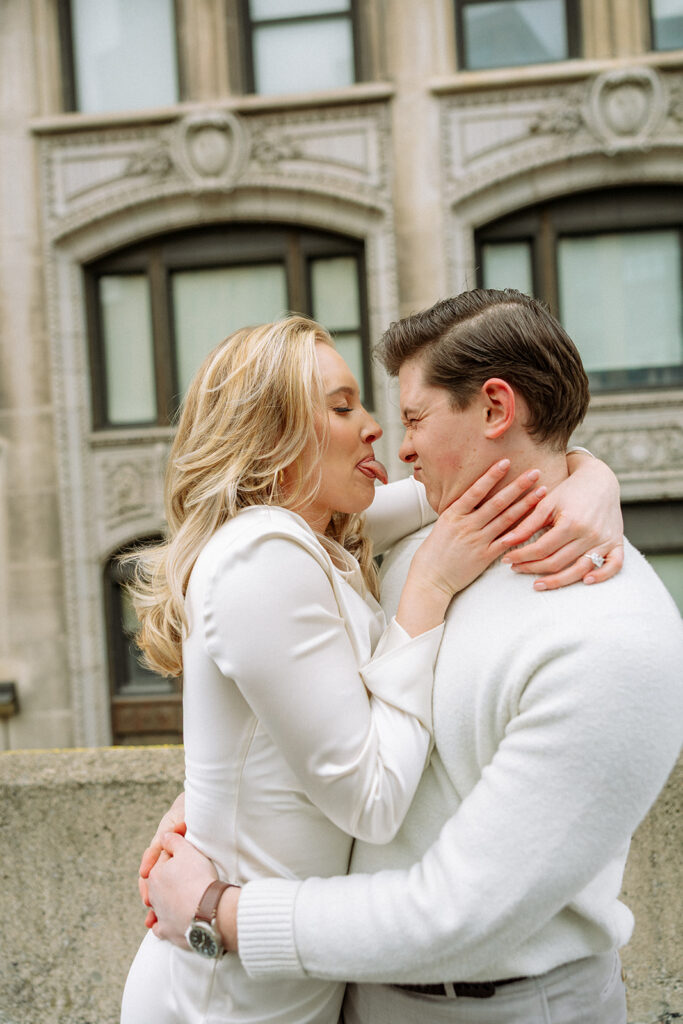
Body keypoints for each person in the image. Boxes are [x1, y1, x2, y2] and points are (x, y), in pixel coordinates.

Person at [145, 292, 682, 1024]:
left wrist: (221, 912)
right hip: (348, 997)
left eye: (414, 419)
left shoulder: (613, 635)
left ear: (495, 408)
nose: (392, 444)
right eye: (347, 409)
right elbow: (314, 719)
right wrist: (215, 799)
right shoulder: (406, 553)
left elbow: (459, 914)